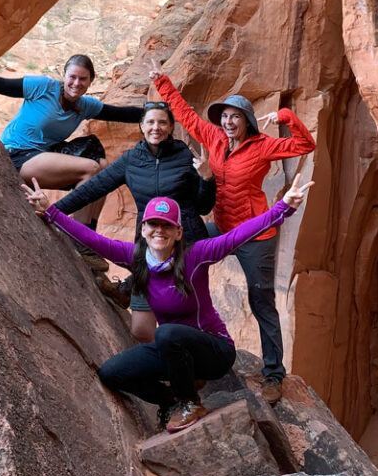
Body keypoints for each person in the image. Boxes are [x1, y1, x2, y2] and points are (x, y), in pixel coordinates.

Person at [23, 175, 313, 432]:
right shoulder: (136, 257)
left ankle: (190, 403)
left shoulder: (196, 255)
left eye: (166, 225)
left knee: (165, 332)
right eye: (153, 224)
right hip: (174, 350)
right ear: (144, 228)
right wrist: (50, 211)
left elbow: (238, 235)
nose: (159, 230)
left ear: (178, 232)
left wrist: (283, 208)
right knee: (111, 373)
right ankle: (171, 401)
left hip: (214, 351)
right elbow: (92, 239)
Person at [149, 63, 316, 404]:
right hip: (223, 229)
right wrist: (161, 82)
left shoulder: (263, 145)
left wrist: (284, 116)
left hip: (255, 236)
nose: (227, 122)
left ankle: (273, 375)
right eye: (224, 116)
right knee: (184, 248)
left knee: (261, 303)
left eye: (234, 117)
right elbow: (185, 115)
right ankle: (178, 338)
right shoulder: (213, 138)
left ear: (247, 120)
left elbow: (305, 144)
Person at [0, 46, 142, 270]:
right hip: (15, 155)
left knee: (104, 168)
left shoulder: (85, 106)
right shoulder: (43, 87)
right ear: (64, 75)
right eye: (73, 77)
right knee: (91, 167)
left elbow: (121, 113)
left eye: (83, 79)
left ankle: (86, 236)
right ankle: (78, 238)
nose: (76, 83)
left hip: (41, 157)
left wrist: (159, 111)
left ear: (91, 81)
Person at [49, 101, 217, 342]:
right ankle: (154, 357)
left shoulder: (184, 157)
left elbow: (203, 206)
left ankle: (185, 371)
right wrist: (52, 210)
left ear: (170, 127)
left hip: (187, 245)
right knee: (141, 330)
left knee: (184, 320)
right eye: (150, 122)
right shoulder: (131, 160)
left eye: (162, 122)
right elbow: (93, 189)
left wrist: (206, 179)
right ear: (141, 125)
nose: (155, 128)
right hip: (149, 246)